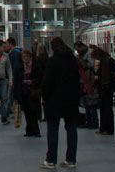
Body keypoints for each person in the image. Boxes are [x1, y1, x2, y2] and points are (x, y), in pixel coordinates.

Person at [40, 37, 79, 169]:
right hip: (72, 100)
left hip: (54, 100)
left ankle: (51, 160)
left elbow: (47, 82)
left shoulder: (53, 61)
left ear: (53, 47)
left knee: (52, 129)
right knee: (72, 129)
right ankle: (71, 159)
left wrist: (44, 97)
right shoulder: (73, 60)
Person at [93, 44, 115, 136]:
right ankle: (104, 127)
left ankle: (108, 128)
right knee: (104, 108)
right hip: (104, 87)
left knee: (107, 109)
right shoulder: (105, 60)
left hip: (107, 87)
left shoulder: (108, 61)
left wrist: (98, 78)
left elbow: (111, 74)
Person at [19, 47, 43, 137]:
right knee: (26, 112)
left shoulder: (36, 66)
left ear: (30, 57)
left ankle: (36, 130)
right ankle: (29, 130)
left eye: (27, 56)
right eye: (23, 57)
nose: (25, 58)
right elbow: (17, 80)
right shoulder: (20, 67)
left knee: (33, 111)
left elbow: (40, 78)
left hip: (33, 92)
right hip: (23, 92)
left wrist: (32, 81)